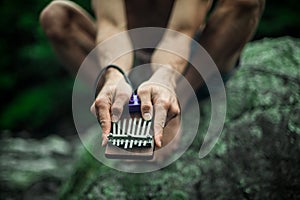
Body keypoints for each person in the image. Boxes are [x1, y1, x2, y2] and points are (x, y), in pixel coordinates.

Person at [40, 0, 265, 148]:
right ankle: (121, 108)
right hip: (131, 56)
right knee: (56, 16)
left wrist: (167, 81)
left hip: (191, 63)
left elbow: (179, 32)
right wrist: (115, 75)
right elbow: (111, 26)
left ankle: (178, 107)